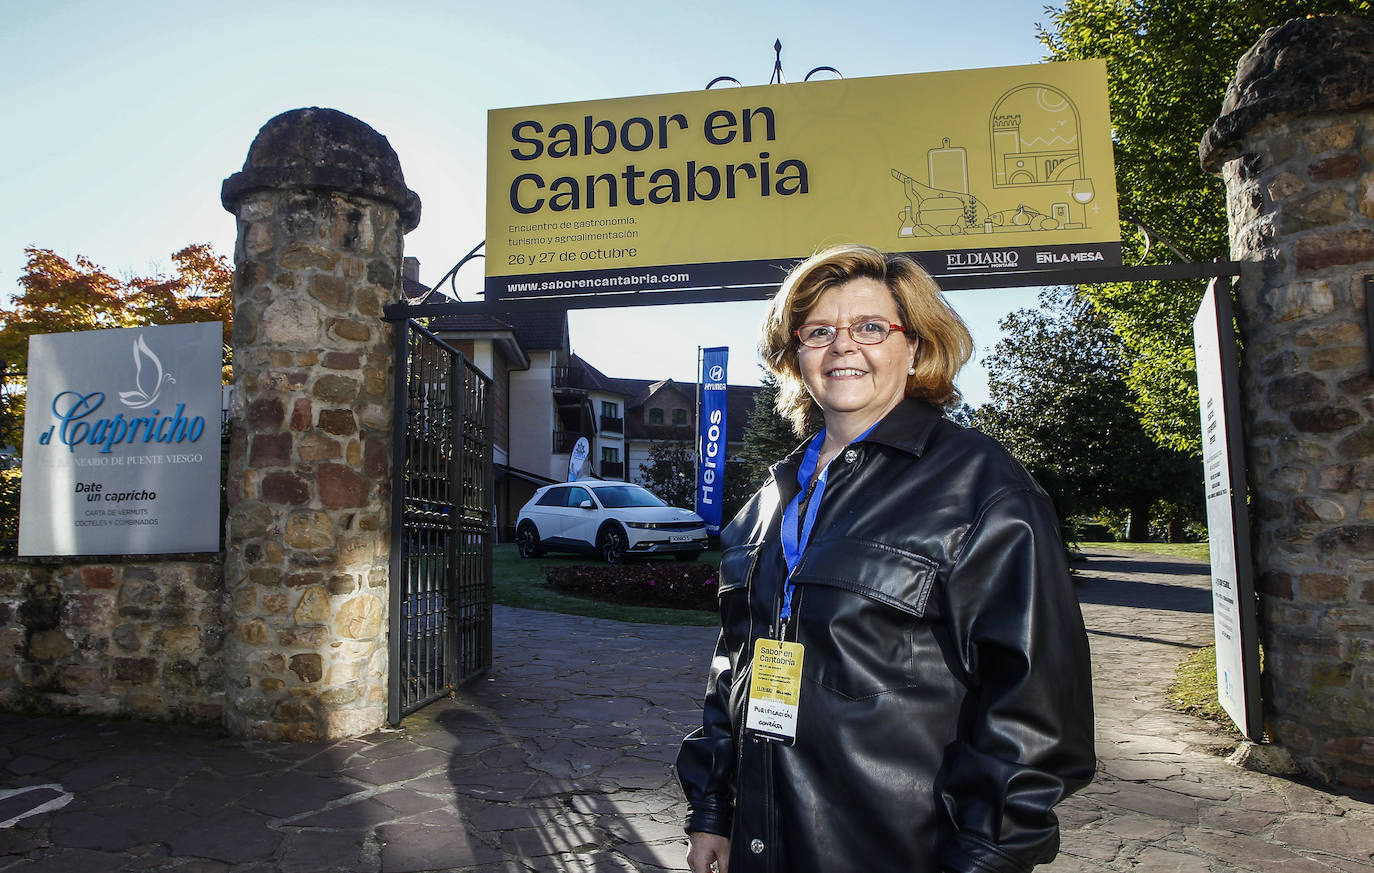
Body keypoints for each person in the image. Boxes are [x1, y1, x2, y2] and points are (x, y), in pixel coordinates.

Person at [676, 244, 1095, 873]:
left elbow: (1036, 708)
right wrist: (713, 810)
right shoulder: (772, 497)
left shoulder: (982, 488)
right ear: (796, 356)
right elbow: (736, 663)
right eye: (819, 331)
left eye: (870, 327)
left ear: (916, 345)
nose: (843, 346)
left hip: (905, 849)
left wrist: (985, 858)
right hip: (764, 841)